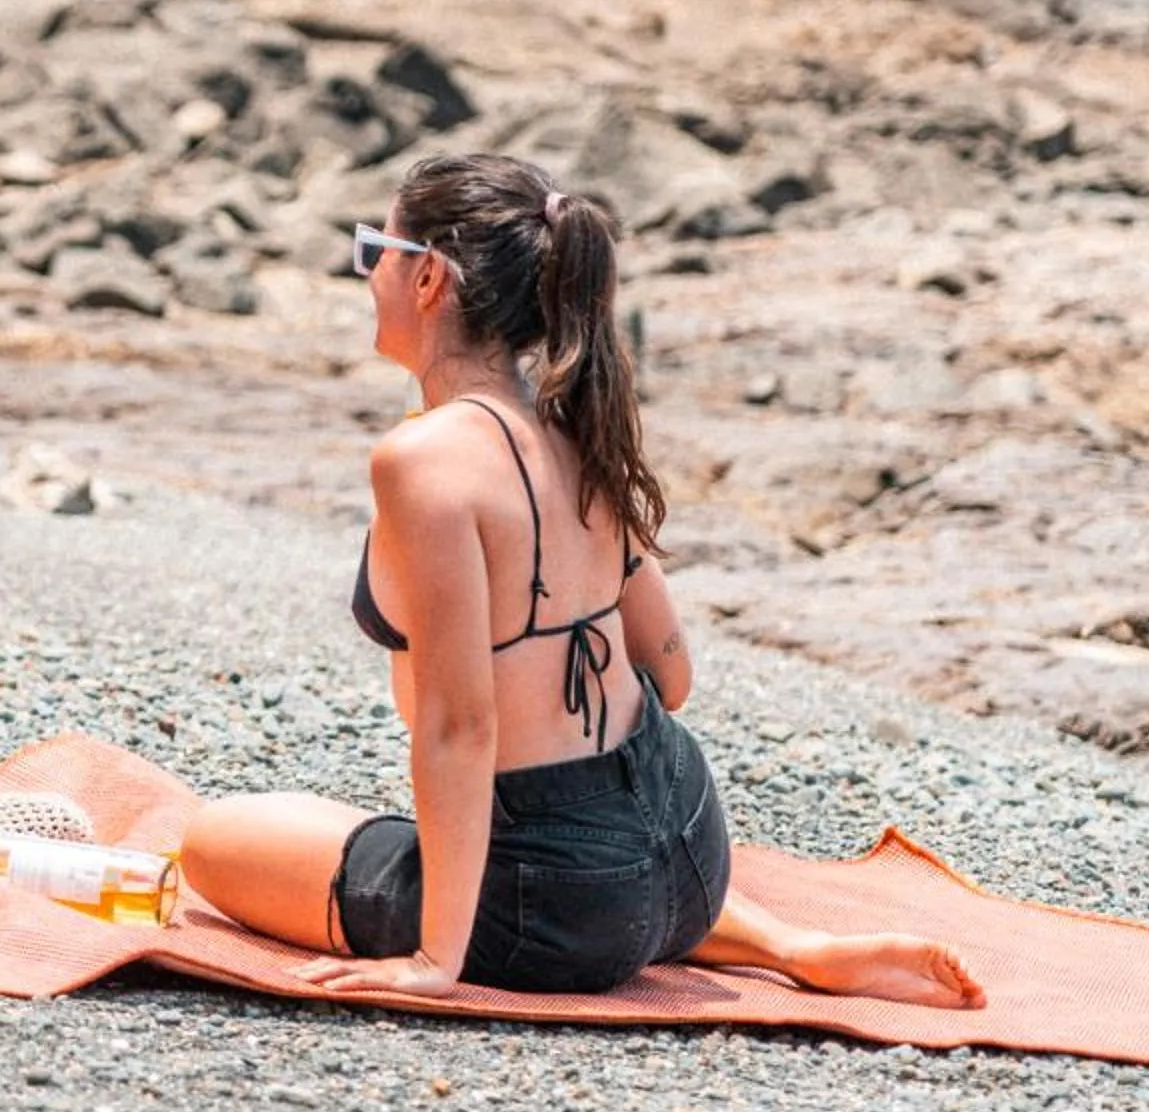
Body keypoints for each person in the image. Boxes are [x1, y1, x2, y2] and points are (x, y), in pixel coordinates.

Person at [178, 154, 984, 1008]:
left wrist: (434, 961)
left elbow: (459, 727)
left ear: (426, 279)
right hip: (692, 849)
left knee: (215, 837)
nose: (367, 271)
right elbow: (671, 678)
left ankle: (691, 928)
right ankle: (787, 945)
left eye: (377, 247)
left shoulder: (423, 461)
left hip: (553, 913)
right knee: (575, 839)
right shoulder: (575, 427)